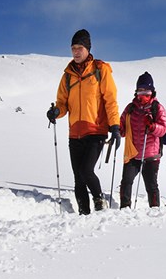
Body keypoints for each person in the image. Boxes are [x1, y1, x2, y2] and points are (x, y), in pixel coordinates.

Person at [47, 29, 120, 215]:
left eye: (79, 47)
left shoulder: (100, 70)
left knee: (87, 171)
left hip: (96, 131)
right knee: (78, 178)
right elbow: (62, 103)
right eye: (73, 48)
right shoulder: (67, 76)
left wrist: (115, 126)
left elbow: (110, 100)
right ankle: (83, 213)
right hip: (75, 133)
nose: (76, 52)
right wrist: (56, 111)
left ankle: (99, 200)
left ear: (87, 48)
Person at [117, 72, 166, 208]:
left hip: (151, 155)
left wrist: (152, 126)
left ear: (152, 91)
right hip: (133, 153)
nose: (143, 93)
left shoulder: (157, 108)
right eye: (140, 90)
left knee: (151, 185)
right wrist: (118, 129)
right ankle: (124, 208)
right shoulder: (130, 108)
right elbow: (122, 126)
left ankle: (155, 210)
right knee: (126, 182)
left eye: (146, 90)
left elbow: (163, 129)